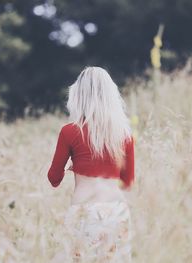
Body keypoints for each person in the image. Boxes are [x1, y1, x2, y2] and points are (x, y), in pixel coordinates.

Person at [47, 66, 135, 262]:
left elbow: (53, 179)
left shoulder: (69, 131)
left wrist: (73, 164)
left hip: (83, 211)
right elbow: (127, 182)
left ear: (77, 96)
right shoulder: (125, 135)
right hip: (117, 211)